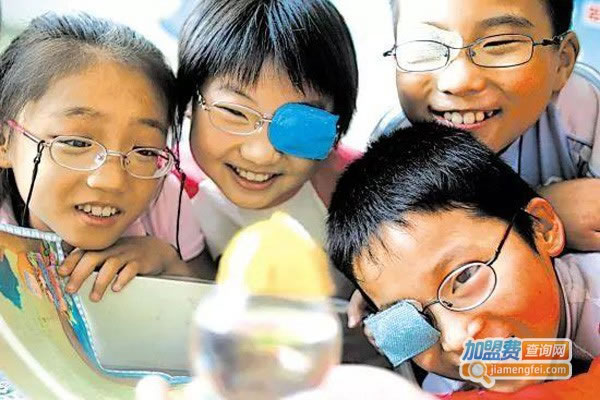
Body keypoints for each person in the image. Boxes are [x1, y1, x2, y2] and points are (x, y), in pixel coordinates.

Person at [327, 123, 599, 394]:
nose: (455, 340)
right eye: (411, 321)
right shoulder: (449, 386)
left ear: (541, 227)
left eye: (464, 277)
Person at [0, 13, 213, 303]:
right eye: (76, 142)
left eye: (145, 151)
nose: (112, 180)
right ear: (4, 141)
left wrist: (169, 264)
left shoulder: (163, 201)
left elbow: (214, 298)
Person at [377, 0, 600, 253]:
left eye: (498, 44)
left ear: (562, 62)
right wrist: (530, 211)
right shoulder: (390, 149)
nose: (459, 82)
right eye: (426, 46)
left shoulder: (588, 111)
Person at [175, 0, 360, 299]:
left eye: (299, 123)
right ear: (187, 102)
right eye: (234, 112)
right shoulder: (161, 190)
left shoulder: (360, 188)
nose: (261, 154)